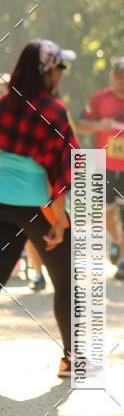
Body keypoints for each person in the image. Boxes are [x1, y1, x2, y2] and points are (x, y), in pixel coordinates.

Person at [0, 39, 78, 376]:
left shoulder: (2, 105)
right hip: (38, 209)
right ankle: (72, 358)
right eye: (62, 67)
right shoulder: (51, 111)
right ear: (48, 70)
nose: (63, 74)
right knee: (65, 280)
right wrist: (59, 221)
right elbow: (60, 173)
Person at [78, 57, 124, 280]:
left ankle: (123, 263)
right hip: (104, 166)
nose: (122, 81)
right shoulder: (101, 99)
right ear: (112, 76)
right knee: (107, 214)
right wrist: (100, 125)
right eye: (118, 76)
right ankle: (116, 241)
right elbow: (80, 124)